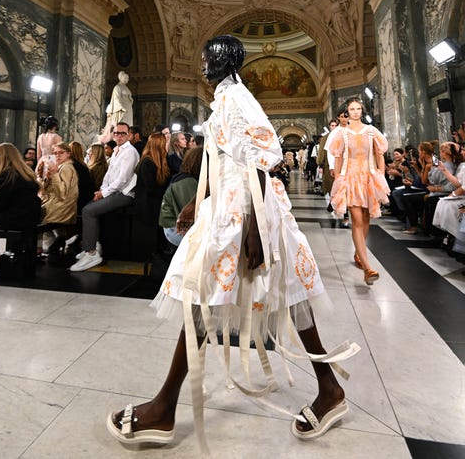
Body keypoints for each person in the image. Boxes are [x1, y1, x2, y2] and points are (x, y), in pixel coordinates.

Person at [107, 35, 358, 452]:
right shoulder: (226, 97)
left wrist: (256, 228)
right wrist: (197, 202)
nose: (202, 63)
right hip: (230, 205)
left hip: (245, 212)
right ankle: (327, 389)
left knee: (216, 296)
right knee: (244, 297)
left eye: (207, 57)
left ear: (224, 60)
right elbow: (228, 159)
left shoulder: (236, 98)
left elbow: (265, 154)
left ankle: (164, 407)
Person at [329, 96, 389, 285]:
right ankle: (367, 268)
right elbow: (338, 157)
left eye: (358, 109)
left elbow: (379, 154)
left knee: (366, 218)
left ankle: (358, 253)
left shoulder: (372, 132)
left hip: (368, 178)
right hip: (351, 178)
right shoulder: (342, 134)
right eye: (352, 109)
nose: (355, 112)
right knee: (356, 220)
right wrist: (338, 178)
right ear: (347, 112)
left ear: (362, 111)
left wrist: (381, 173)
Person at [71, 122, 139, 272]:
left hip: (125, 194)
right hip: (113, 191)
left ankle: (91, 253)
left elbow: (123, 179)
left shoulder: (130, 152)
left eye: (122, 133)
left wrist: (104, 193)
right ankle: (94, 244)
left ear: (129, 135)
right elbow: (109, 175)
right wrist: (101, 191)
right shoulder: (116, 150)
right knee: (86, 205)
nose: (119, 136)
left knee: (89, 211)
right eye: (116, 133)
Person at [0, 143, 41, 266]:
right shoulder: (25, 173)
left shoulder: (6, 176)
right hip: (30, 215)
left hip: (16, 217)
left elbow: (0, 205)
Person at [134, 132, 171, 273]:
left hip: (154, 201)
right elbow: (150, 188)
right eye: (165, 143)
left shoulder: (159, 160)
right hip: (147, 204)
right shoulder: (147, 162)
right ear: (159, 145)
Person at [37, 142, 79, 257]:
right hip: (56, 205)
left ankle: (38, 248)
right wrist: (44, 176)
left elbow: (62, 194)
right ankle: (47, 247)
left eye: (61, 152)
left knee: (34, 215)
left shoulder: (66, 168)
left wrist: (54, 174)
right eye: (54, 153)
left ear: (68, 154)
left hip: (61, 207)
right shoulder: (59, 166)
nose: (57, 155)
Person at [159, 146, 203, 247]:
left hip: (175, 226)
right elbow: (194, 213)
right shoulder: (187, 182)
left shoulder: (185, 178)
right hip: (174, 228)